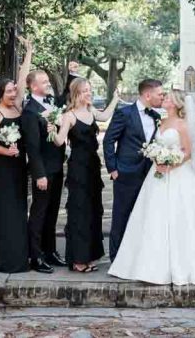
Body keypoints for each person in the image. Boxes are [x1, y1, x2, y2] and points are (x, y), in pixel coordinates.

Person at [109, 90, 195, 285]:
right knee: (152, 217)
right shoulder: (160, 122)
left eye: (168, 98)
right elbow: (156, 144)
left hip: (177, 174)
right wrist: (156, 157)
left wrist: (170, 164)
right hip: (156, 175)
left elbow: (188, 152)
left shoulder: (181, 124)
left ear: (177, 103)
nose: (164, 99)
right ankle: (147, 265)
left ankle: (179, 265)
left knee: (178, 218)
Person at [0, 56, 45, 273]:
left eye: (14, 91)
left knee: (19, 210)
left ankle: (18, 254)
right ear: (0, 93)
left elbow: (21, 80)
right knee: (5, 211)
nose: (13, 94)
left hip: (19, 167)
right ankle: (6, 258)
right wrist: (6, 151)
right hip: (2, 168)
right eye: (9, 91)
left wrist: (28, 54)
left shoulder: (18, 108)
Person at [51, 77, 120, 272]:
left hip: (92, 168)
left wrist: (115, 98)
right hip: (78, 170)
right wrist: (50, 129)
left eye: (89, 90)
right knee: (79, 212)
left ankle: (90, 256)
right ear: (76, 94)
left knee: (93, 211)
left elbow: (105, 116)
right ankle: (78, 260)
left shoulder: (90, 111)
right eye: (84, 91)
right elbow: (59, 141)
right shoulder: (69, 115)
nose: (88, 93)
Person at [103, 78, 165, 261]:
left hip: (149, 175)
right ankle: (116, 259)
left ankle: (138, 257)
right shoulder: (124, 113)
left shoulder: (156, 116)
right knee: (120, 217)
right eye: (160, 94)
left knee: (144, 217)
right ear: (148, 94)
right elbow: (108, 141)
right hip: (125, 173)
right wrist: (113, 168)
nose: (162, 96)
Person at [22, 67, 67, 273]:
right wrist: (39, 174)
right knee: (39, 213)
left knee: (52, 212)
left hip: (57, 167)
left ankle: (50, 251)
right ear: (33, 86)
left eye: (48, 80)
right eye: (44, 81)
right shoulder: (30, 111)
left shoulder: (52, 104)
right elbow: (32, 146)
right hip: (43, 171)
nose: (48, 83)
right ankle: (36, 255)